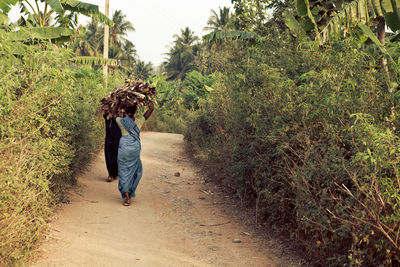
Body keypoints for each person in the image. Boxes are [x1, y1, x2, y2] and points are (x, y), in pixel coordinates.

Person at [114, 102, 154, 206]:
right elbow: (149, 112)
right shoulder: (140, 120)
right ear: (135, 112)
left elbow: (114, 114)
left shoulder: (121, 121)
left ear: (126, 111)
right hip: (135, 149)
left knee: (123, 172)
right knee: (135, 170)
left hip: (124, 148)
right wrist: (151, 105)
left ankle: (127, 197)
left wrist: (118, 102)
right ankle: (130, 191)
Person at [103, 104, 121, 183]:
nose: (105, 108)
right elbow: (112, 115)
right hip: (109, 138)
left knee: (116, 155)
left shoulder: (120, 116)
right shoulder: (106, 115)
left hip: (118, 138)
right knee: (108, 154)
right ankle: (110, 174)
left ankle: (115, 173)